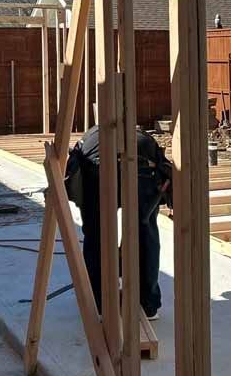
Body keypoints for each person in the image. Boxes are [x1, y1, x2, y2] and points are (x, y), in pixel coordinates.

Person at [67, 126, 171, 320]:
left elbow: (73, 172)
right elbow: (164, 168)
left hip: (95, 168)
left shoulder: (91, 135)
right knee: (144, 231)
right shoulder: (141, 134)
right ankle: (147, 304)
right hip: (143, 168)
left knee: (97, 233)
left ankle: (99, 303)